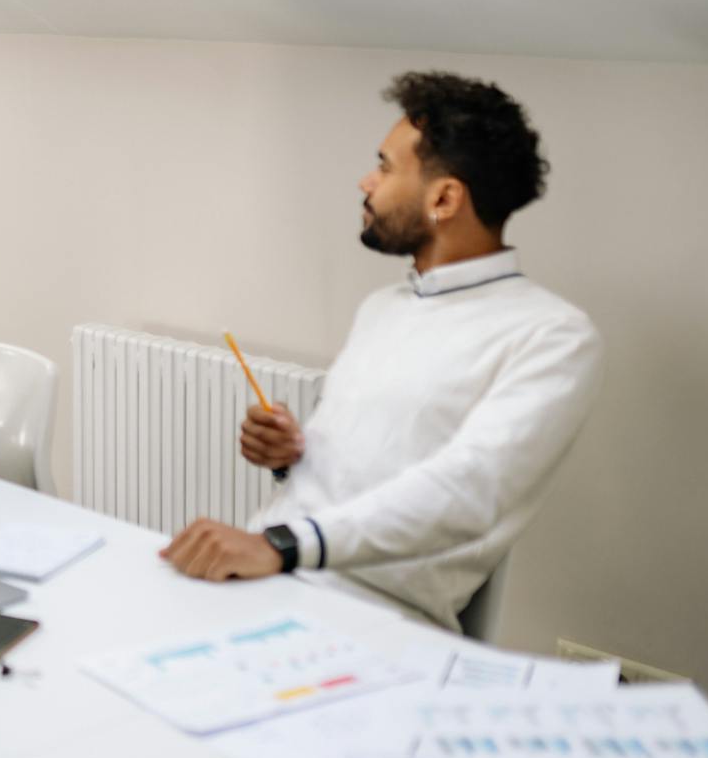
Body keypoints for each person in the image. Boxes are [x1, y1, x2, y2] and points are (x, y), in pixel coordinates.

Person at [160, 72, 603, 631]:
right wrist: (289, 456)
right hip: (269, 580)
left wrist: (281, 546)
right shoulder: (382, 307)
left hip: (372, 617)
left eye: (386, 167)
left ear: (444, 198)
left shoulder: (553, 335)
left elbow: (466, 494)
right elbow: (365, 469)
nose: (366, 182)